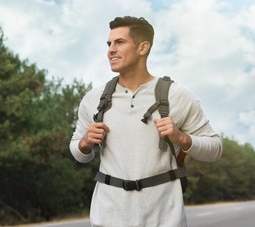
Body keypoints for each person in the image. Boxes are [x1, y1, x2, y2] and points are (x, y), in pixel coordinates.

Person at [69, 16, 223, 226]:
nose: (110, 50)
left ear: (143, 47)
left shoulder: (177, 96)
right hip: (108, 218)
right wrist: (85, 143)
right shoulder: (94, 99)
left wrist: (182, 138)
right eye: (109, 44)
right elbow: (78, 153)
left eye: (119, 42)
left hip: (164, 219)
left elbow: (215, 149)